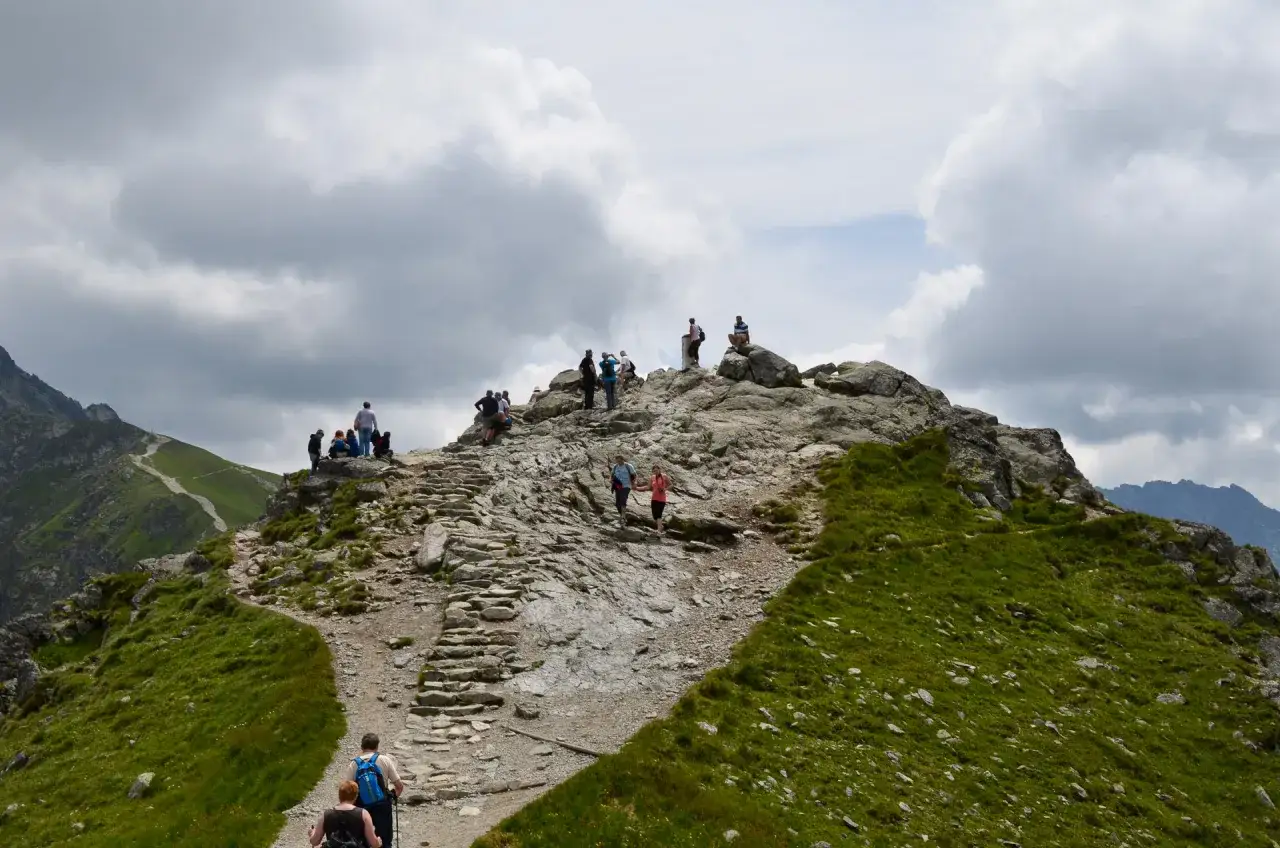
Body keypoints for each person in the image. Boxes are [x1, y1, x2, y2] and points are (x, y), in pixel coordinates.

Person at [343, 733, 404, 848]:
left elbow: (346, 791)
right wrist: (393, 798)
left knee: (362, 841)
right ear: (377, 746)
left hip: (361, 808)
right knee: (385, 841)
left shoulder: (354, 764)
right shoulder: (384, 760)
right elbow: (399, 786)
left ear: (362, 747)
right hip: (382, 805)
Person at [308, 779, 381, 847]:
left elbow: (314, 842)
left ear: (339, 796)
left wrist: (312, 833)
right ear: (356, 796)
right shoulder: (363, 814)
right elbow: (373, 843)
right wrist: (378, 841)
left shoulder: (326, 814)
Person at [635, 464, 671, 533]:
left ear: (659, 470)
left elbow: (671, 485)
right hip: (654, 498)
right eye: (654, 471)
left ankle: (659, 531)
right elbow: (648, 487)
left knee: (659, 514)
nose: (655, 472)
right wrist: (637, 488)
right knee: (655, 516)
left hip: (662, 499)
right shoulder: (652, 477)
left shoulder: (664, 476)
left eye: (656, 470)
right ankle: (661, 527)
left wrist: (665, 489)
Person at [606, 454, 638, 529]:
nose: (618, 461)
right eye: (617, 460)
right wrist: (610, 479)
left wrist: (635, 483)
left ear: (623, 459)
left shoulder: (628, 466)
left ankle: (623, 518)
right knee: (617, 503)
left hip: (626, 486)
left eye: (620, 460)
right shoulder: (615, 466)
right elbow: (612, 474)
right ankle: (623, 516)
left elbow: (634, 475)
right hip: (617, 486)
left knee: (623, 500)